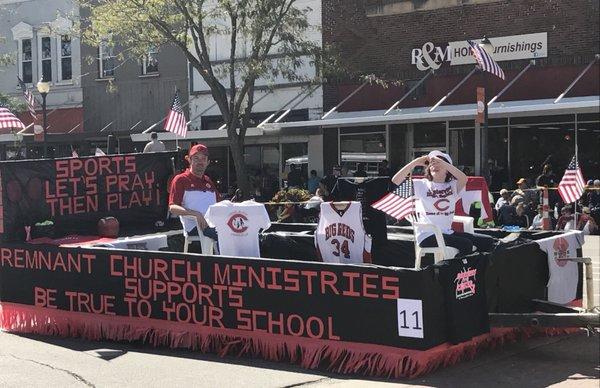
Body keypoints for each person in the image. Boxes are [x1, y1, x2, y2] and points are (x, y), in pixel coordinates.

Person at [392, 150, 494, 257]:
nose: (434, 166)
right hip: (427, 235)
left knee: (487, 241)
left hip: (447, 232)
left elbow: (463, 178)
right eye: (431, 164)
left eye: (439, 164)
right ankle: (455, 271)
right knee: (465, 244)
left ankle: (477, 270)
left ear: (447, 170)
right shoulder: (421, 185)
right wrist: (415, 162)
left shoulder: (452, 186)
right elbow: (395, 181)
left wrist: (444, 163)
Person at [169, 144, 221, 243]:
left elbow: (219, 204)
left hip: (215, 224)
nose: (200, 161)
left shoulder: (208, 181)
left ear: (208, 162)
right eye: (196, 158)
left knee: (240, 231)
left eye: (203, 158)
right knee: (226, 235)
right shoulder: (180, 179)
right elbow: (173, 208)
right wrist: (196, 214)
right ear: (189, 160)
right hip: (195, 227)